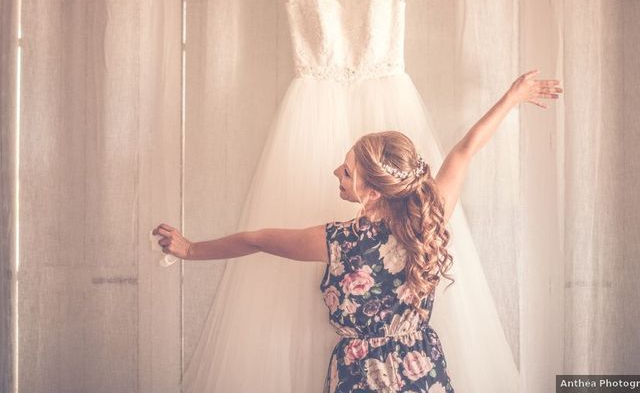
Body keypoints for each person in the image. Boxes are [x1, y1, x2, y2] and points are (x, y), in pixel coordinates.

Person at [153, 69, 563, 392]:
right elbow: (465, 150)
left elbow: (256, 239)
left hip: (357, 375)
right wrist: (512, 98)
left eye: (347, 172)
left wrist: (191, 250)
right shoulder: (429, 216)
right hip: (420, 366)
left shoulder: (336, 242)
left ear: (370, 192)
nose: (336, 172)